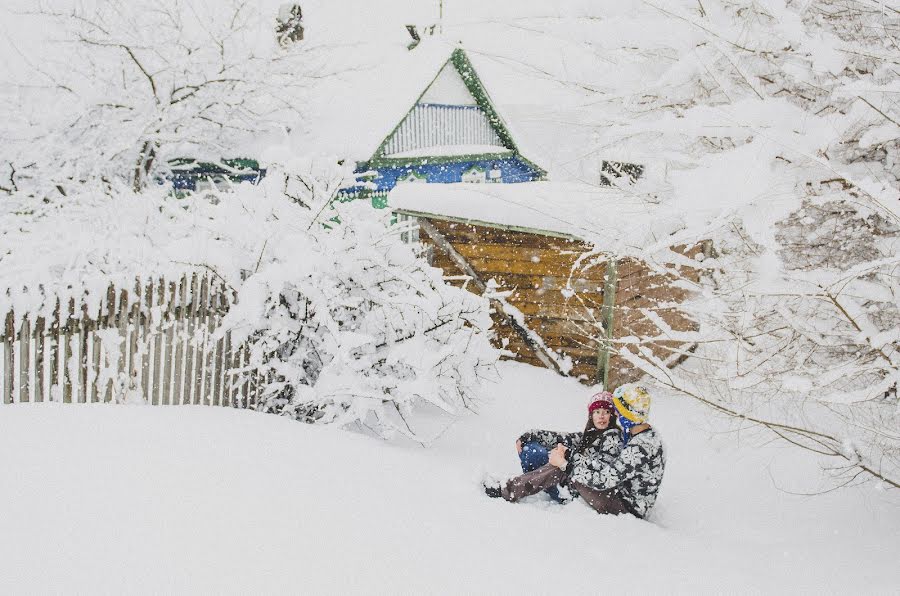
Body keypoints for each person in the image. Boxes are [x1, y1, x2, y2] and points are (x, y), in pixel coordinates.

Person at [486, 383, 666, 520]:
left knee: (560, 469)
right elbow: (570, 439)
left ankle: (508, 490)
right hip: (618, 493)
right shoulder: (641, 435)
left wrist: (566, 463)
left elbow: (605, 480)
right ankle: (519, 484)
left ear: (629, 415)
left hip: (625, 507)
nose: (616, 416)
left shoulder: (641, 446)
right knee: (554, 462)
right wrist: (563, 453)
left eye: (617, 412)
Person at [483, 392, 622, 503]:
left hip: (580, 492)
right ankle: (532, 481)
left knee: (558, 467)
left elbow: (601, 469)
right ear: (591, 416)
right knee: (532, 449)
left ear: (612, 416)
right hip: (569, 482)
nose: (601, 416)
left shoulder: (612, 438)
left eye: (606, 412)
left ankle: (509, 489)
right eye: (597, 412)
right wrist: (530, 435)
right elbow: (559, 438)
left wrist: (567, 457)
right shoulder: (588, 436)